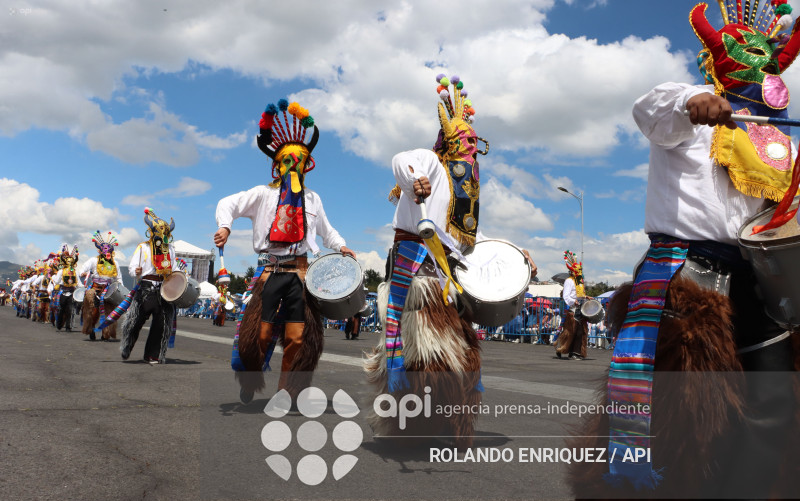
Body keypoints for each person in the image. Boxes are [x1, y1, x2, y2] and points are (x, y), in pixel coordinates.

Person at [568, 3, 800, 501]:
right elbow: (650, 109)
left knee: (773, 389)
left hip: (757, 275)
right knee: (676, 402)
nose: (759, 65)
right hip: (685, 272)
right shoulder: (690, 111)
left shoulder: (780, 143)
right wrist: (691, 101)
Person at [365, 73, 537, 449]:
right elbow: (401, 159)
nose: (472, 147)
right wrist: (414, 179)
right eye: (465, 140)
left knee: (468, 360)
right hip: (417, 281)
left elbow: (471, 245)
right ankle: (414, 426)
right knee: (429, 362)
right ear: (448, 142)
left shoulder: (465, 200)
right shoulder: (429, 163)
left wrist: (518, 258)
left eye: (475, 142)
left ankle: (448, 424)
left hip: (449, 286)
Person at [214, 98, 355, 404]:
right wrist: (225, 226)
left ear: (307, 165)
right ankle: (250, 379)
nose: (294, 165)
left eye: (299, 160)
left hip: (302, 275)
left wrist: (341, 245)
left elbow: (327, 230)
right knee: (259, 334)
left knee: (298, 337)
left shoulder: (313, 199)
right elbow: (228, 203)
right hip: (269, 271)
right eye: (288, 160)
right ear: (277, 165)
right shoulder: (262, 194)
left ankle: (287, 393)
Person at [120, 208, 177, 364]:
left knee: (161, 323)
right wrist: (136, 271)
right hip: (146, 287)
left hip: (164, 289)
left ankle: (152, 355)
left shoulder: (170, 249)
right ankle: (127, 345)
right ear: (151, 232)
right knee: (135, 321)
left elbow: (175, 269)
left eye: (164, 233)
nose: (161, 235)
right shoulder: (143, 247)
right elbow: (132, 267)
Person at [79, 231, 124, 341]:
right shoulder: (93, 260)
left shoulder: (115, 263)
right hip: (95, 288)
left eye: (109, 250)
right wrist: (83, 273)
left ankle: (106, 333)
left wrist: (121, 290)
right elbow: (82, 269)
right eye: (104, 250)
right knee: (93, 312)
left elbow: (119, 278)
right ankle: (91, 327)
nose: (106, 252)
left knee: (109, 313)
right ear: (99, 250)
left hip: (109, 290)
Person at [555, 251, 588, 360]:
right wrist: (573, 301)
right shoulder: (569, 281)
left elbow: (580, 294)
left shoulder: (580, 282)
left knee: (581, 332)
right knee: (571, 331)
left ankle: (575, 352)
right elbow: (566, 296)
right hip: (573, 309)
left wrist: (586, 297)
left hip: (581, 309)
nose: (580, 272)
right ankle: (562, 348)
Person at [48, 244, 81, 331]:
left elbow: (78, 283)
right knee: (61, 309)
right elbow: (57, 281)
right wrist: (53, 279)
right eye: (68, 261)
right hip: (62, 292)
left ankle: (68, 327)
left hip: (71, 293)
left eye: (71, 261)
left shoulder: (75, 272)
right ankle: (59, 324)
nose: (70, 263)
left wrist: (83, 288)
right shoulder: (61, 271)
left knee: (70, 310)